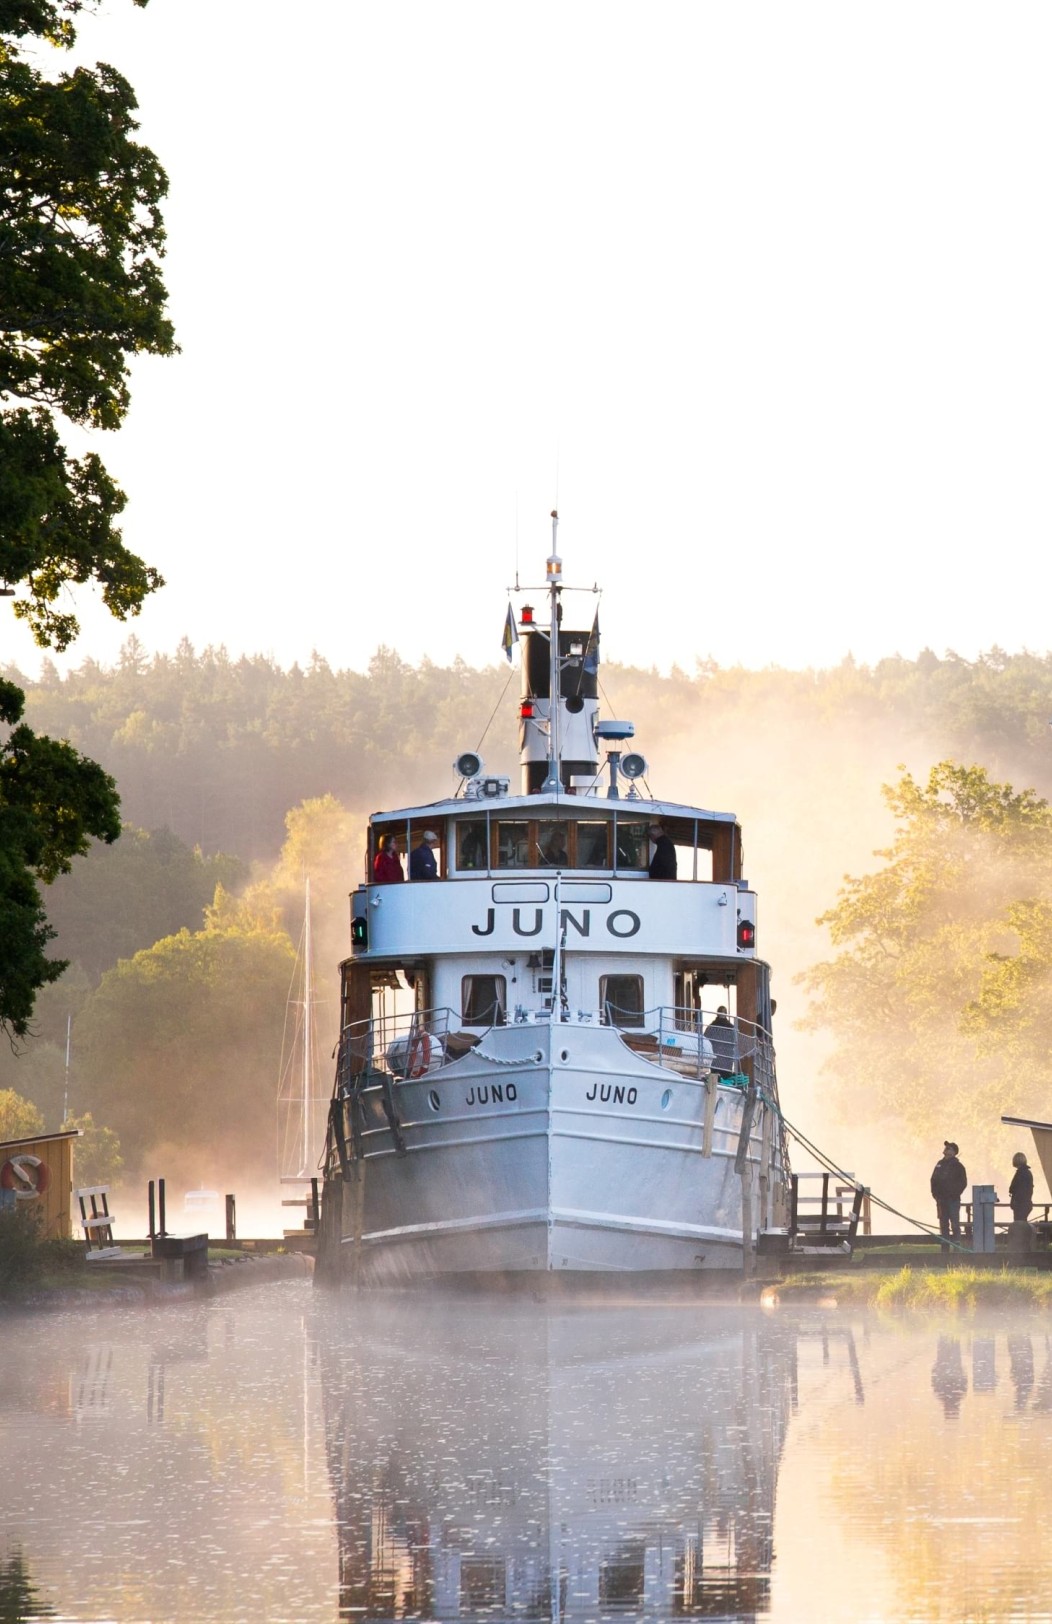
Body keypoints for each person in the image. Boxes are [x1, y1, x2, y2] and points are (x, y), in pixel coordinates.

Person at [930, 1140, 967, 1252]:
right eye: (946, 1148)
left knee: (955, 1223)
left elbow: (963, 1183)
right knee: (943, 1223)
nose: (946, 1150)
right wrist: (935, 1194)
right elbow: (933, 1180)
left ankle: (956, 1246)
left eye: (949, 1148)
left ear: (954, 1152)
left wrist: (954, 1193)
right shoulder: (939, 1165)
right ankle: (944, 1247)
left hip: (953, 1200)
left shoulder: (959, 1166)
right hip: (941, 1199)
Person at [704, 1005, 738, 1076]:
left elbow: (705, 1040)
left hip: (715, 1059)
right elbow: (735, 1042)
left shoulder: (711, 1027)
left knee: (715, 1076)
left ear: (717, 1014)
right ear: (726, 1014)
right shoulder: (731, 1028)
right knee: (726, 1076)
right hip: (726, 1059)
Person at [1009, 1151, 1034, 1221]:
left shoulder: (1020, 1174)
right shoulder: (1027, 1173)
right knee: (1022, 1222)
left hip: (1020, 1204)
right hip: (1026, 1203)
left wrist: (1015, 1201)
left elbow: (1018, 1189)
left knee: (1019, 1223)